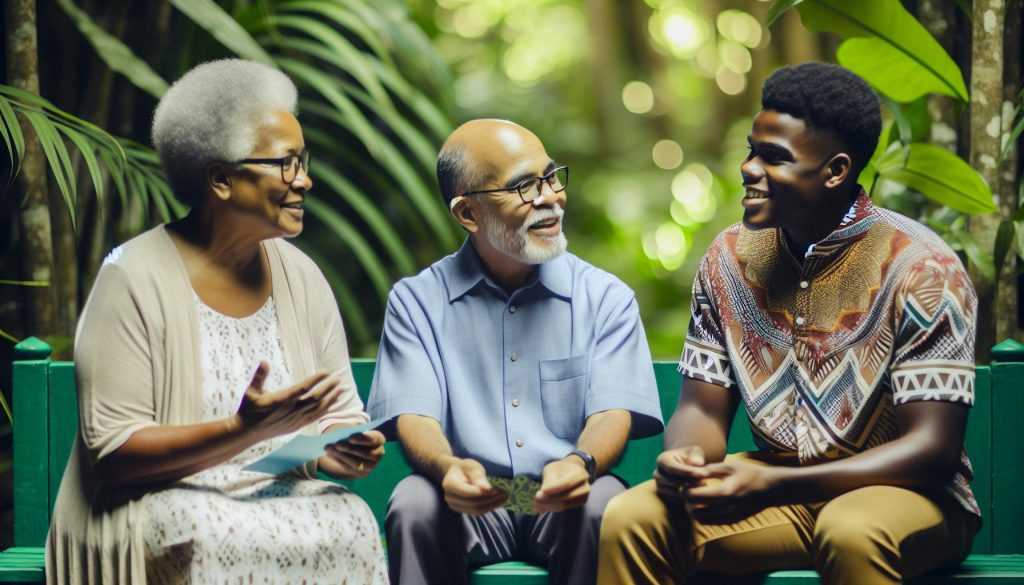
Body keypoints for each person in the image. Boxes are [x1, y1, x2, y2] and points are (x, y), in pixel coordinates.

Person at [598, 62, 980, 585]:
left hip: (911, 499)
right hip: (779, 488)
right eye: (752, 150)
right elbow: (701, 410)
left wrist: (772, 487)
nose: (750, 168)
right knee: (632, 517)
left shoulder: (921, 268)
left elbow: (930, 454)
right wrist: (686, 460)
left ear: (836, 171)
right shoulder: (728, 258)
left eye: (774, 158)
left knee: (851, 529)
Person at [46, 59, 388, 584]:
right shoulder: (131, 276)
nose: (305, 181)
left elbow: (336, 415)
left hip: (272, 492)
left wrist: (341, 447)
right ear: (222, 179)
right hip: (151, 504)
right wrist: (240, 430)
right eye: (286, 164)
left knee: (350, 518)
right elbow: (113, 453)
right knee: (208, 526)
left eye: (304, 161)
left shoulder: (303, 277)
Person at [366, 118, 664, 585]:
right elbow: (414, 416)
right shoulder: (417, 301)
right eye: (523, 186)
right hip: (468, 500)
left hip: (566, 491)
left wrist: (578, 463)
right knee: (413, 502)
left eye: (550, 176)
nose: (549, 197)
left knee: (604, 503)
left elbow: (612, 413)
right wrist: (448, 468)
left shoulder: (606, 298)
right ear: (468, 214)